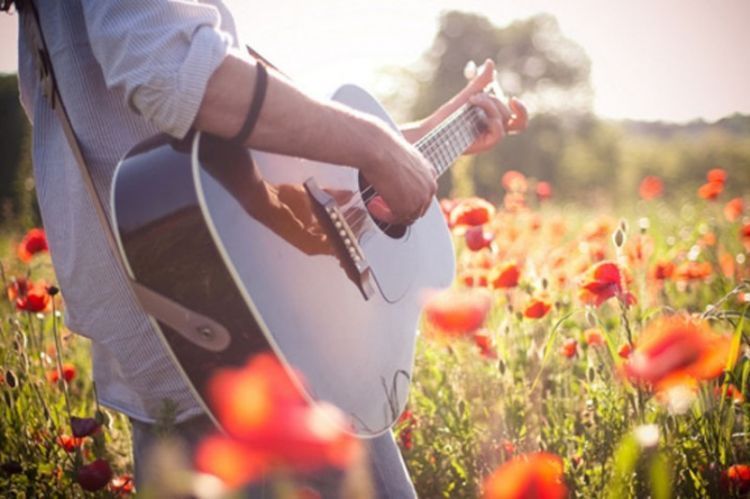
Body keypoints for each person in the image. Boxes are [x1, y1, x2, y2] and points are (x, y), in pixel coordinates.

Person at [13, 0, 527, 496]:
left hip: (244, 329)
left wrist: (420, 139)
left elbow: (268, 148)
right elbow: (174, 74)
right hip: (246, 349)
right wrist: (376, 145)